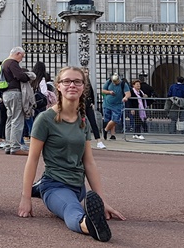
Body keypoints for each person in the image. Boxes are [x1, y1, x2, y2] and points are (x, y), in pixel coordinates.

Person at [18, 66, 126, 242]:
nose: (72, 85)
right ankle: (88, 225)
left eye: (77, 82)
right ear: (58, 86)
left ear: (83, 87)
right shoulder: (45, 119)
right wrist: (25, 197)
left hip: (78, 187)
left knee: (74, 200)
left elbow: (89, 162)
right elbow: (33, 159)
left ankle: (37, 189)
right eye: (66, 81)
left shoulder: (83, 120)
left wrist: (102, 201)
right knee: (71, 208)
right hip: (55, 184)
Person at [0, 47, 34, 155]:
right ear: (18, 53)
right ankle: (15, 147)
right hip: (14, 93)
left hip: (6, 94)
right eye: (22, 56)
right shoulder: (12, 63)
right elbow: (21, 76)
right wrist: (28, 76)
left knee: (10, 119)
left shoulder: (4, 63)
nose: (22, 59)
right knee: (17, 120)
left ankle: (8, 145)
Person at [25, 61, 52, 142]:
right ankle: (37, 136)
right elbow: (44, 92)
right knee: (39, 120)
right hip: (40, 102)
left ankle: (29, 135)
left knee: (30, 119)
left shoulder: (31, 78)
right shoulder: (42, 79)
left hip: (31, 101)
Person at [81, 68, 106, 150]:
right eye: (85, 72)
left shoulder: (88, 81)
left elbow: (91, 92)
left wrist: (92, 102)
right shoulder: (78, 81)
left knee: (93, 122)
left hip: (88, 104)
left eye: (87, 72)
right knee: (80, 122)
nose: (86, 74)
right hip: (79, 104)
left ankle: (98, 141)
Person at [101, 74, 130, 140]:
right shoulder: (108, 82)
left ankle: (105, 130)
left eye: (116, 82)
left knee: (115, 119)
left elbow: (128, 93)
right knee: (108, 119)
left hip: (118, 105)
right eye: (113, 82)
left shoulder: (123, 84)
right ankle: (112, 135)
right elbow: (103, 91)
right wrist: (109, 92)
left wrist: (125, 97)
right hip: (107, 104)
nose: (114, 83)